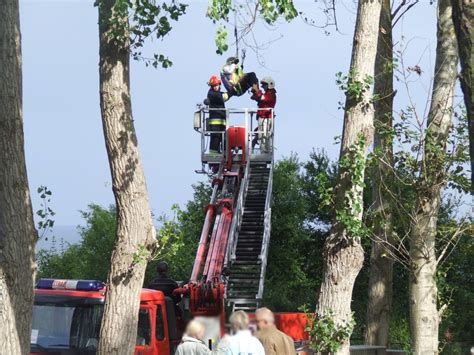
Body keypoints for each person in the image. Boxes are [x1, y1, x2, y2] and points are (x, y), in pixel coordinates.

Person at [205, 75, 231, 155]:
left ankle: (224, 153)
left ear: (219, 85)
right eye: (214, 86)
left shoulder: (218, 93)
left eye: (217, 85)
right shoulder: (212, 94)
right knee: (215, 138)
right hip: (215, 121)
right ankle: (213, 154)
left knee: (224, 138)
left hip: (222, 121)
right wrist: (233, 91)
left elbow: (225, 95)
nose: (215, 87)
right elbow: (224, 97)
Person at [251, 77, 277, 153]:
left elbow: (263, 98)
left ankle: (265, 151)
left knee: (265, 135)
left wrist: (257, 91)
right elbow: (260, 99)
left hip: (266, 117)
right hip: (263, 117)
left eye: (265, 85)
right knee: (261, 135)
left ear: (269, 85)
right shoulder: (267, 93)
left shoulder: (271, 94)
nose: (264, 87)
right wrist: (255, 94)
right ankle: (263, 150)